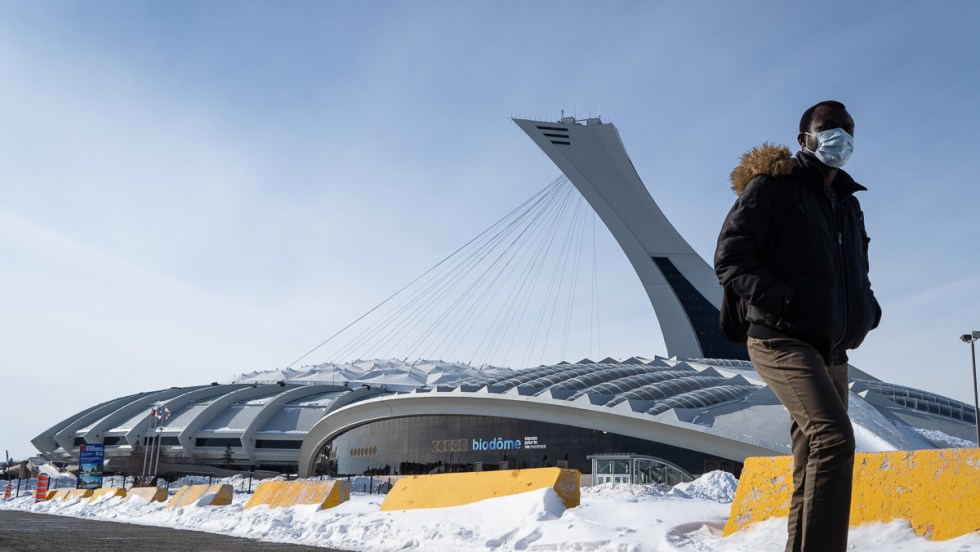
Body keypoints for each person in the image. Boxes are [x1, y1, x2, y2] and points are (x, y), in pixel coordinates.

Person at [714, 100, 881, 552]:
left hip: (831, 347)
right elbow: (731, 257)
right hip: (780, 338)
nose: (840, 136)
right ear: (803, 138)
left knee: (812, 459)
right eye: (828, 127)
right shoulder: (773, 188)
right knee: (834, 439)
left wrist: (867, 308)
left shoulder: (847, 203)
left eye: (847, 128)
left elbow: (855, 271)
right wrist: (783, 302)